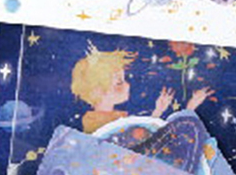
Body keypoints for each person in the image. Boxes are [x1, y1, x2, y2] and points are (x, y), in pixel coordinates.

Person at [70, 43, 212, 134]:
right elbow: (141, 148)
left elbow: (141, 138)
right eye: (119, 82)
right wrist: (189, 108)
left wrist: (158, 111)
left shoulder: (113, 116)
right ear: (98, 91)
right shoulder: (99, 124)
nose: (127, 86)